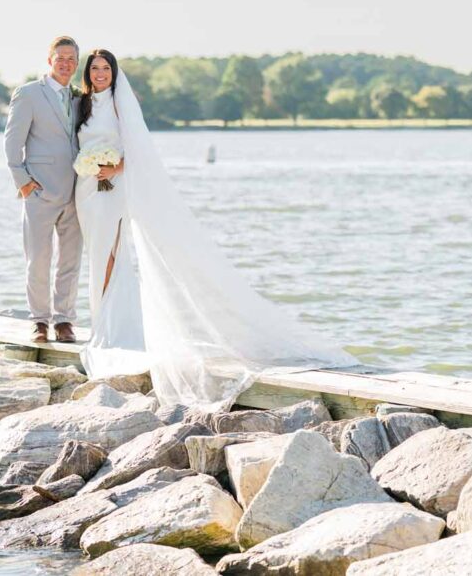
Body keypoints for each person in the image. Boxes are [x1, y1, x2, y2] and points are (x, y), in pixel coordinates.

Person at [74, 49, 358, 411]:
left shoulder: (120, 105)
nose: (100, 74)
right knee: (96, 255)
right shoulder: (81, 104)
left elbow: (141, 151)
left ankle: (111, 327)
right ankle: (102, 321)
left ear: (114, 73)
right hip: (86, 191)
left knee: (112, 253)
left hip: (113, 188)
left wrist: (115, 169)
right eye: (95, 68)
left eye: (105, 69)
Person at [3, 36, 83, 344]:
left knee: (70, 261)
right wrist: (22, 181)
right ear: (50, 60)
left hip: (76, 191)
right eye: (60, 57)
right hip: (38, 191)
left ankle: (64, 320)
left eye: (71, 59)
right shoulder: (29, 94)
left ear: (76, 64)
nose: (65, 63)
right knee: (38, 259)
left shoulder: (79, 97)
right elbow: (12, 141)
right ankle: (39, 321)